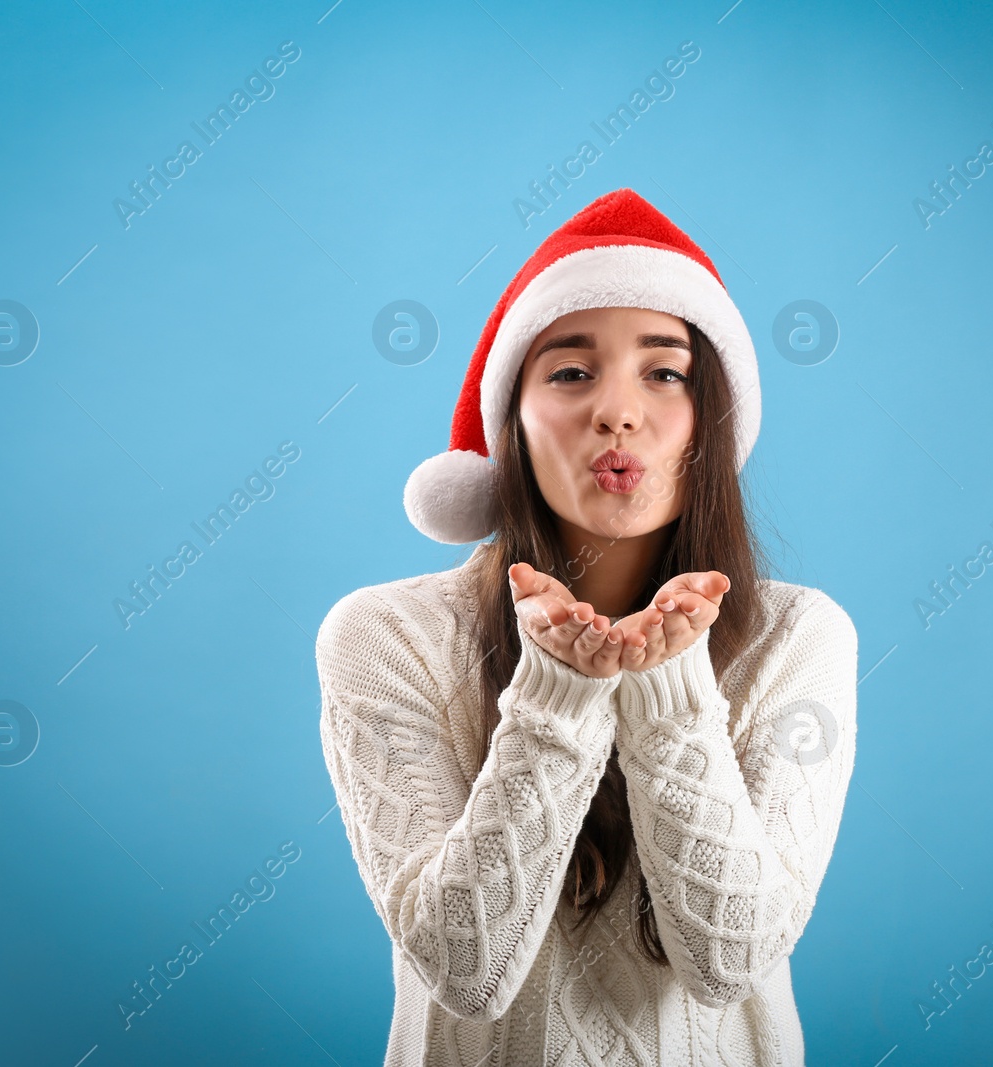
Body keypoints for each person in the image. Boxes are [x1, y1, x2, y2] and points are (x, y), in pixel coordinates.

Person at [315, 188, 858, 1066]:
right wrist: (558, 695)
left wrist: (669, 688)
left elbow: (730, 962)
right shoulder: (385, 636)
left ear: (708, 419)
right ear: (513, 422)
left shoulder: (799, 636)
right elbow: (468, 970)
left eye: (665, 371)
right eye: (571, 371)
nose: (618, 410)